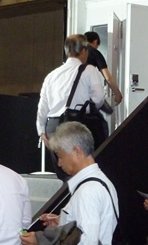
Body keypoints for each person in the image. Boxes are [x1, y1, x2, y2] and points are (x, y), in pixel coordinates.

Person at [36, 34, 105, 177]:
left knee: (63, 173)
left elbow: (42, 108)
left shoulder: (51, 75)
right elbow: (98, 99)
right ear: (84, 51)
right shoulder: (90, 70)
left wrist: (41, 131)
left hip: (53, 127)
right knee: (82, 173)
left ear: (67, 51)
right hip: (77, 125)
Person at [84, 30, 123, 105]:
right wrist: (118, 94)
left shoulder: (76, 53)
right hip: (86, 93)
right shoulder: (95, 52)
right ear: (95, 41)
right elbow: (108, 78)